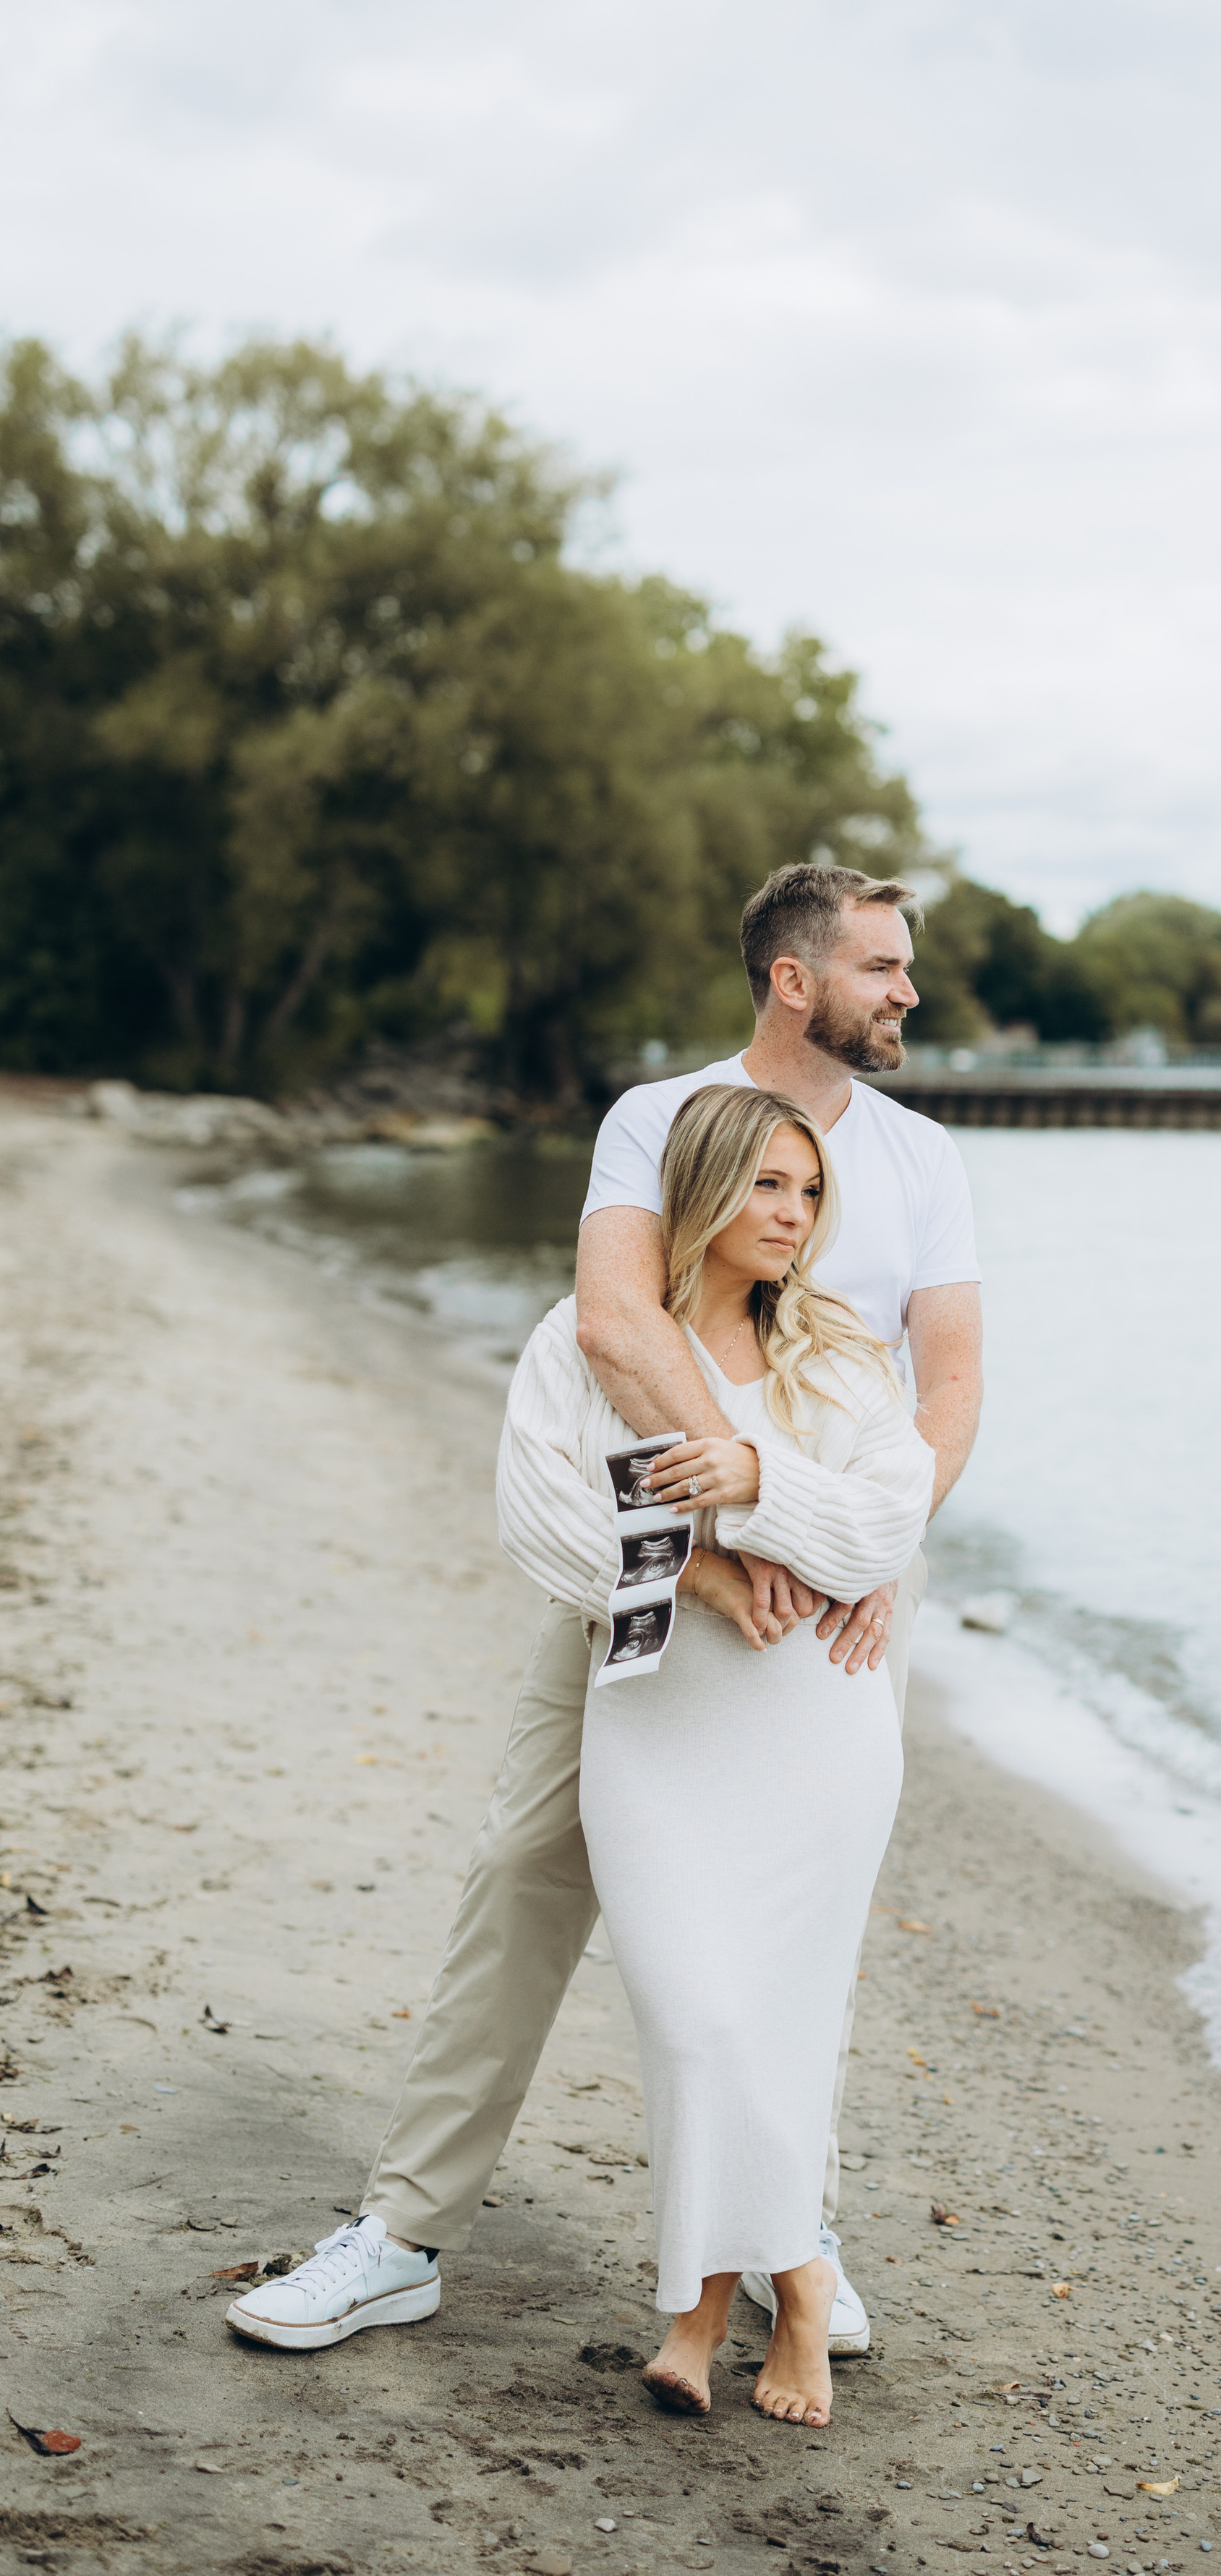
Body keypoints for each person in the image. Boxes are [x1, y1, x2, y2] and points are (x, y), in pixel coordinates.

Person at [226, 865, 982, 2357]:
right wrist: (724, 1519)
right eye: (882, 966)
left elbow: (945, 1384)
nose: (905, 991)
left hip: (839, 1587)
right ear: (793, 977)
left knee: (798, 1913)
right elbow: (614, 1319)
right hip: (645, 1556)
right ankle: (402, 2230)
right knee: (527, 1866)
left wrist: (865, 1544)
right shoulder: (658, 1117)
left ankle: (785, 2234)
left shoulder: (923, 1157)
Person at [504, 1083, 932, 2423]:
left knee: (783, 2026)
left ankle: (699, 2306)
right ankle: (796, 2278)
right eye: (767, 1187)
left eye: (810, 1194)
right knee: (696, 2017)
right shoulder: (587, 1350)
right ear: (699, 1190)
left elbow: (880, 1530)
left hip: (818, 1731)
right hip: (656, 1727)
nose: (793, 1217)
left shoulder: (847, 1356)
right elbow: (540, 1521)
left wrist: (756, 1483)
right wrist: (693, 1569)